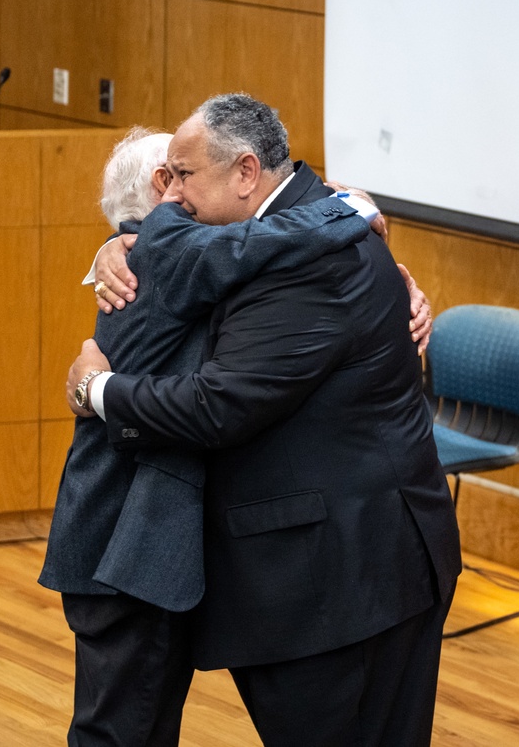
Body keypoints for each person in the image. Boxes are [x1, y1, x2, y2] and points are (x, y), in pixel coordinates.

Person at [70, 93, 462, 747]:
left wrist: (97, 389)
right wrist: (115, 247)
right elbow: (179, 251)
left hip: (345, 578)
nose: (171, 196)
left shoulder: (313, 257)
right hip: (320, 566)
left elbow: (217, 405)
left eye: (183, 176)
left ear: (246, 172)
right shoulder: (275, 227)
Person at [40, 126, 377, 746]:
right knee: (118, 733)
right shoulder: (167, 250)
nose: (207, 192)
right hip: (125, 542)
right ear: (164, 191)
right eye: (187, 176)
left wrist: (394, 274)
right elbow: (275, 232)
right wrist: (350, 208)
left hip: (160, 542)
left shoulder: (165, 255)